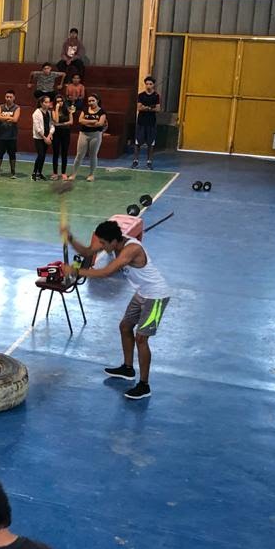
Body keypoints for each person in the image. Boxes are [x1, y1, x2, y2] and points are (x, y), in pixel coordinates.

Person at [67, 218, 172, 400]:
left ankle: (144, 385)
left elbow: (106, 272)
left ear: (114, 241)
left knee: (141, 339)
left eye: (103, 243)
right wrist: (69, 238)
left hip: (156, 296)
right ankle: (128, 368)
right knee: (125, 327)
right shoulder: (113, 242)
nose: (101, 246)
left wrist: (75, 271)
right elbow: (87, 252)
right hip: (142, 293)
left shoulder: (131, 249)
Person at [66, 94, 106, 183]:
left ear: (97, 101)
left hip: (95, 135)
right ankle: (74, 174)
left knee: (93, 155)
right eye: (89, 101)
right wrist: (93, 121)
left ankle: (91, 174)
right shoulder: (85, 109)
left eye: (93, 100)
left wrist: (86, 123)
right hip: (83, 134)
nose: (91, 102)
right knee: (79, 154)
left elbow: (100, 124)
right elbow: (80, 120)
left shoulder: (102, 112)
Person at [0, 91, 21, 178]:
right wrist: (9, 117)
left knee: (12, 155)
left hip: (12, 136)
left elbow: (15, 119)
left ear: (14, 98)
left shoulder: (17, 107)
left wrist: (3, 117)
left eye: (10, 97)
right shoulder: (0, 107)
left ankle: (13, 172)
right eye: (7, 97)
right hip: (1, 135)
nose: (8, 98)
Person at [134, 76, 160, 170]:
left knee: (151, 143)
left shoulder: (156, 96)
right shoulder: (141, 95)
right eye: (147, 84)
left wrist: (146, 108)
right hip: (141, 122)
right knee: (138, 142)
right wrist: (150, 108)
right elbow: (139, 108)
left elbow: (158, 109)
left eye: (150, 84)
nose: (148, 86)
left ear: (153, 85)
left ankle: (149, 162)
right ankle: (135, 161)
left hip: (151, 122)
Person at [30, 95, 54, 182]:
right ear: (41, 103)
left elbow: (52, 125)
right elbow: (37, 128)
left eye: (49, 102)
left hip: (47, 137)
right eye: (46, 102)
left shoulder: (49, 113)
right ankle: (34, 173)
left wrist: (50, 134)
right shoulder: (36, 113)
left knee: (43, 156)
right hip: (39, 138)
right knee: (40, 155)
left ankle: (39, 173)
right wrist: (44, 138)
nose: (48, 104)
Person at [50, 95, 73, 181]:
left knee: (64, 153)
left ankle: (63, 173)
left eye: (61, 101)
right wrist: (56, 109)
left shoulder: (68, 110)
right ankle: (55, 173)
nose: (59, 103)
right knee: (55, 153)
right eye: (57, 101)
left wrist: (62, 124)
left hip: (66, 133)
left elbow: (71, 122)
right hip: (56, 133)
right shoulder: (53, 111)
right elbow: (56, 121)